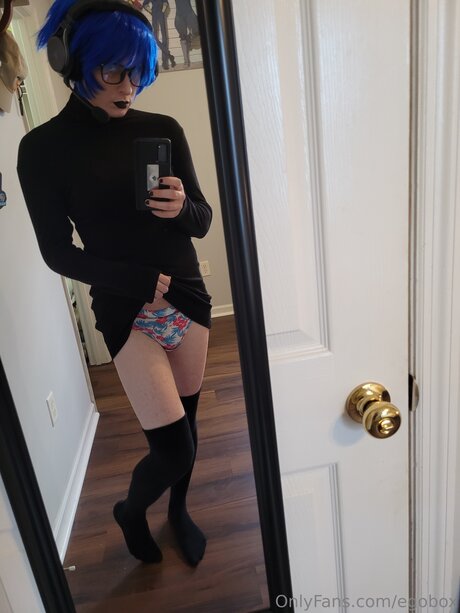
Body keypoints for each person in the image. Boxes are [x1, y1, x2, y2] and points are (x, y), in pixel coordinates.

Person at [17, 0, 212, 567]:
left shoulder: (163, 129)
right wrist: (136, 279)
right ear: (72, 61)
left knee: (189, 427)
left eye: (140, 72)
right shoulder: (42, 150)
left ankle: (179, 511)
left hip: (188, 296)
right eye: (113, 71)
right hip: (126, 307)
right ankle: (131, 510)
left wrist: (181, 208)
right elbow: (57, 253)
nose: (130, 86)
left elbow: (202, 220)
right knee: (171, 448)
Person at [142, 0, 176, 71]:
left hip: (161, 13)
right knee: (155, 37)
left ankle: (165, 63)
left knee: (164, 37)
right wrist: (151, 11)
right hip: (154, 13)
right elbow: (145, 4)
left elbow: (165, 2)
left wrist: (163, 11)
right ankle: (169, 55)